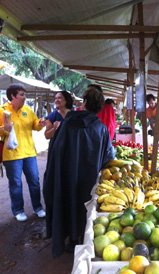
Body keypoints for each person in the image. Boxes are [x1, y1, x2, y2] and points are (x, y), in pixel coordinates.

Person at [43, 85, 115, 257]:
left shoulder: (68, 122)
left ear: (84, 103)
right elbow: (108, 156)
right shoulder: (101, 128)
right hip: (88, 180)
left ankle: (69, 239)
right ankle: (79, 238)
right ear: (100, 107)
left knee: (67, 203)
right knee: (84, 208)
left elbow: (56, 149)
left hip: (66, 176)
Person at [0, 84, 46, 222]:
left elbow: (35, 125)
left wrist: (41, 123)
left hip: (29, 153)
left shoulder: (27, 110)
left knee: (34, 181)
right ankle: (18, 210)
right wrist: (4, 128)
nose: (24, 98)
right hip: (12, 155)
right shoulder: (2, 111)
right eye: (21, 95)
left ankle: (37, 207)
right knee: (16, 183)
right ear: (13, 96)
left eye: (24, 95)